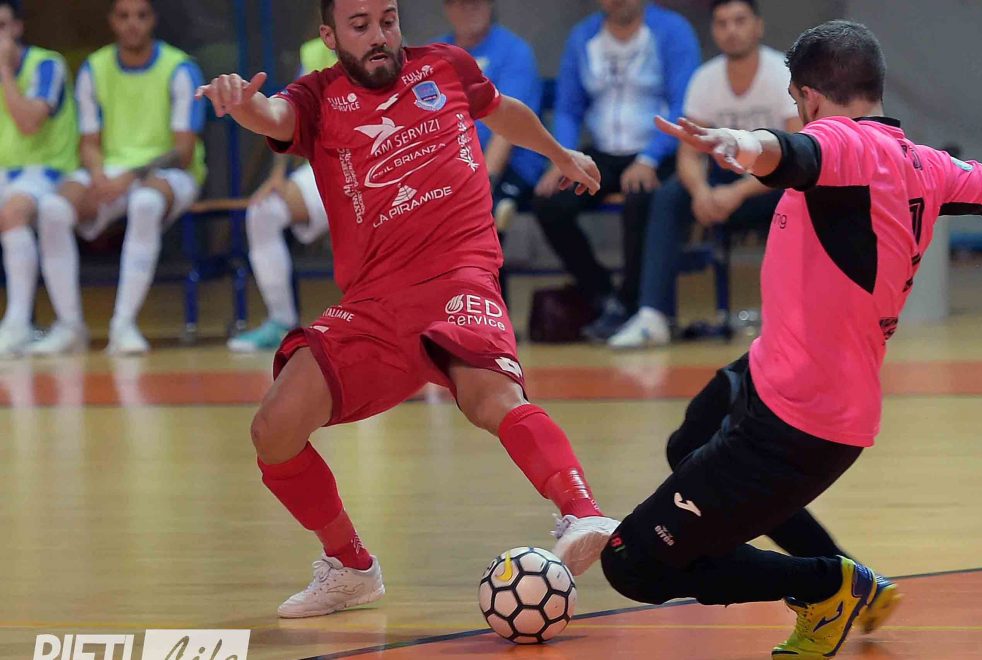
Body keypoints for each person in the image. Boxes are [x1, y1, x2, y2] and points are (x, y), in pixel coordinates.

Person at [598, 20, 982, 657]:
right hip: (787, 379)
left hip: (797, 424)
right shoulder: (926, 164)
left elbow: (791, 154)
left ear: (809, 97)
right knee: (690, 441)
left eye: (795, 102)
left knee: (631, 562)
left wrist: (739, 142)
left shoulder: (840, 144)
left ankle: (827, 584)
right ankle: (839, 578)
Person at [196, 0, 620, 619]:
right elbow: (275, 115)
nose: (379, 36)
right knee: (274, 429)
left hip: (458, 273)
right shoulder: (317, 96)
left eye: (388, 20)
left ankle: (582, 514)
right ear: (329, 36)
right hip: (373, 302)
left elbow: (503, 110)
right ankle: (350, 567)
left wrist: (560, 154)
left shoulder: (446, 66)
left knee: (490, 397)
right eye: (360, 25)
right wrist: (243, 104)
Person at [608, 0, 800, 348]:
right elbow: (688, 154)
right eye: (722, 23)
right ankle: (653, 316)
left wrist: (738, 193)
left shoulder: (781, 73)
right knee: (668, 196)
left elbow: (795, 151)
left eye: (739, 21)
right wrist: (701, 193)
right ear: (713, 31)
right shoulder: (705, 78)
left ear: (758, 26)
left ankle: (794, 314)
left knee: (802, 192)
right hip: (721, 181)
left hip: (769, 183)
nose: (731, 30)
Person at [30, 0, 206, 356]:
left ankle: (123, 324)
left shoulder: (180, 68)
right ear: (112, 21)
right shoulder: (94, 68)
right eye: (124, 16)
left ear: (153, 20)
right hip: (111, 168)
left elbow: (184, 151)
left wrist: (128, 178)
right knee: (51, 208)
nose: (132, 24)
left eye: (141, 16)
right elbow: (89, 143)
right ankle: (70, 326)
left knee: (145, 202)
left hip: (172, 172)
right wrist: (98, 176)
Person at [534, 0, 699, 341]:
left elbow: (684, 103)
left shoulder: (672, 31)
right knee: (550, 203)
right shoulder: (583, 37)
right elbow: (568, 108)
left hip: (656, 150)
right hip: (603, 151)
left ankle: (632, 303)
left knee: (641, 197)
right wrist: (562, 157)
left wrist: (649, 158)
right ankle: (601, 292)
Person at [227, 36, 338, 353]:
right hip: (328, 166)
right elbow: (291, 113)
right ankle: (281, 322)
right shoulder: (313, 53)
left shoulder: (384, 45)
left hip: (380, 167)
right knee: (264, 211)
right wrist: (278, 174)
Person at [436, 0, 545, 302]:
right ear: (447, 8)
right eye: (461, 2)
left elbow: (506, 130)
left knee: (484, 219)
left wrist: (479, 184)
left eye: (477, 1)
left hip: (510, 166)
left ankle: (493, 317)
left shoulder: (514, 51)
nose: (470, 8)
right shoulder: (435, 54)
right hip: (454, 169)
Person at [0, 0, 78, 357]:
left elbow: (29, 122)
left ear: (18, 27)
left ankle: (18, 323)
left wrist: (4, 70)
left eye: (2, 26)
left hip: (49, 170)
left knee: (13, 212)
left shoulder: (47, 65)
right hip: (6, 173)